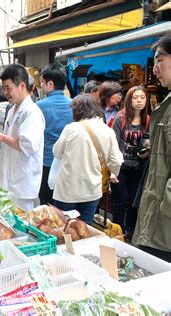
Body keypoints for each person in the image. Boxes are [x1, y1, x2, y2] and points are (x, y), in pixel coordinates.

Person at [53, 94, 123, 224]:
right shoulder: (107, 131)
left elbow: (57, 153)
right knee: (85, 229)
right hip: (92, 189)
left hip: (67, 190)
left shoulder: (71, 128)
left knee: (63, 228)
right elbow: (117, 160)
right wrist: (113, 172)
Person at [133, 34, 171, 262]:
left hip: (164, 222)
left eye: (160, 60)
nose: (155, 69)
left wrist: (165, 206)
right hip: (158, 217)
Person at [0, 64, 45, 211]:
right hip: (10, 177)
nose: (5, 92)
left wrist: (3, 138)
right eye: (4, 88)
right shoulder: (14, 108)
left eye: (8, 88)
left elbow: (27, 146)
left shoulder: (32, 112)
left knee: (22, 222)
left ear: (22, 85)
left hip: (22, 181)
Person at [110, 86, 150, 241]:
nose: (139, 101)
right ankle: (117, 231)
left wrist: (146, 151)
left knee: (135, 200)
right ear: (129, 99)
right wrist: (113, 169)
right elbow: (112, 145)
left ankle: (130, 230)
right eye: (135, 97)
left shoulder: (147, 120)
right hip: (120, 166)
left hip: (137, 167)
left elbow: (148, 142)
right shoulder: (120, 119)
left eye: (142, 97)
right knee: (119, 200)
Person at [37, 64, 73, 205]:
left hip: (47, 161)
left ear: (50, 83)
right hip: (69, 161)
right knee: (64, 203)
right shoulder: (74, 104)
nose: (41, 86)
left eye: (42, 82)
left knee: (46, 203)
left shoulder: (39, 106)